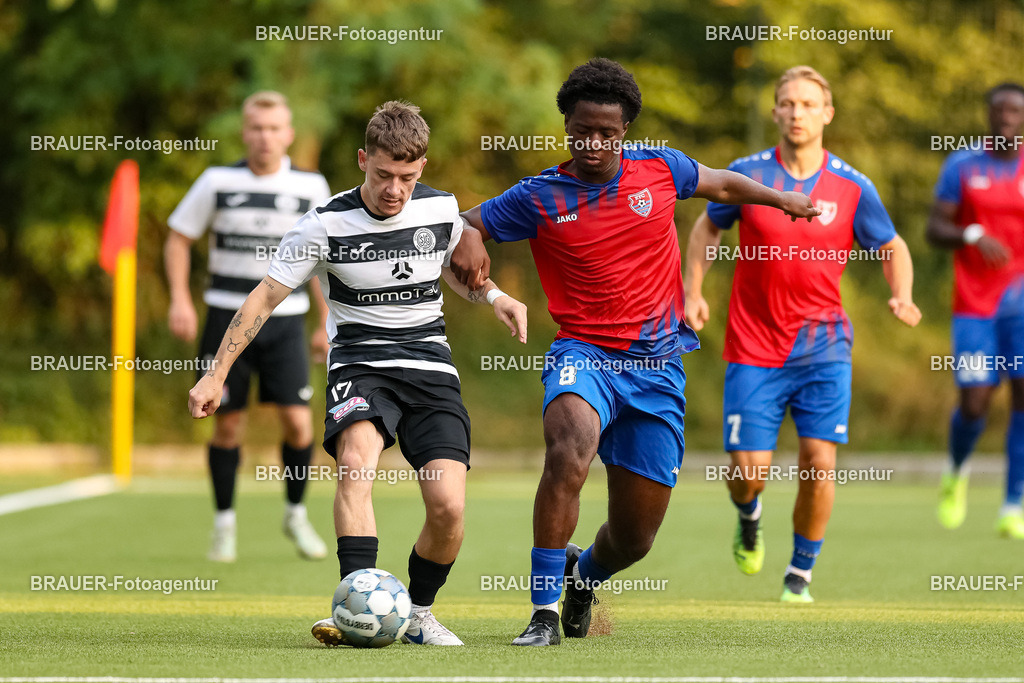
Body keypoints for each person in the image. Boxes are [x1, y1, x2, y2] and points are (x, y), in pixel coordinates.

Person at [450, 58, 820, 646]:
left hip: (656, 366)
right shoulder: (539, 195)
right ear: (567, 127)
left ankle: (583, 577)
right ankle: (542, 613)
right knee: (567, 451)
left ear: (626, 131)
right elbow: (466, 221)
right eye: (581, 131)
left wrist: (781, 199)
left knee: (633, 539)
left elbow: (722, 183)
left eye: (607, 132)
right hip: (583, 353)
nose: (593, 143)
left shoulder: (661, 169)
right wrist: (470, 237)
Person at [189, 101, 528, 646]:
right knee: (355, 465)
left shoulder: (441, 210)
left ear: (422, 169)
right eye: (383, 175)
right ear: (362, 160)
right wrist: (215, 373)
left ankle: (418, 613)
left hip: (429, 367)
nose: (395, 189)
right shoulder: (323, 224)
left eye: (408, 177)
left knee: (448, 507)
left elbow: (457, 275)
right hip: (360, 364)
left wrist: (496, 297)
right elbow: (263, 300)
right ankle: (356, 606)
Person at [684, 65, 921, 602]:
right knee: (748, 473)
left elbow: (892, 246)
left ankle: (800, 574)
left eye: (808, 104)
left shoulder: (853, 185)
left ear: (827, 114)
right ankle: (749, 516)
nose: (797, 113)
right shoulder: (748, 173)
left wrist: (902, 293)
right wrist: (692, 291)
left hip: (824, 347)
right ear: (775, 112)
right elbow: (707, 227)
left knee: (819, 459)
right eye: (788, 103)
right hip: (753, 346)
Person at [166, 91, 332, 563]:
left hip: (285, 322)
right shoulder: (217, 181)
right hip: (224, 316)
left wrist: (325, 322)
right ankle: (224, 525)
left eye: (275, 128)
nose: (265, 137)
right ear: (245, 132)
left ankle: (296, 514)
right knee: (227, 424)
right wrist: (181, 298)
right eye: (257, 128)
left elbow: (321, 260)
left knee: (300, 424)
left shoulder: (311, 186)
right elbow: (178, 238)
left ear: (289, 134)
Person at [927, 82, 1024, 540]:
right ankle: (956, 469)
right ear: (989, 115)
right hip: (974, 305)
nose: (1006, 117)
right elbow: (934, 227)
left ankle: (1013, 503)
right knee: (976, 398)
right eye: (999, 109)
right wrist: (970, 234)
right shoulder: (963, 163)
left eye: (1015, 111)